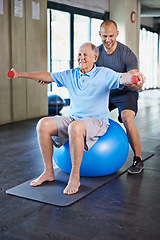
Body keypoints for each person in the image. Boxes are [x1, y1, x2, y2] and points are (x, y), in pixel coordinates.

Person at [11, 42, 145, 195]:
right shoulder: (71, 74)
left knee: (75, 127)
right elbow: (48, 76)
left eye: (85, 55)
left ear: (95, 57)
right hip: (74, 118)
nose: (81, 58)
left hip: (96, 121)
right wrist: (21, 74)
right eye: (79, 54)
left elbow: (123, 77)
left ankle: (75, 177)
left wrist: (135, 77)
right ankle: (48, 172)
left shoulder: (104, 73)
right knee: (43, 124)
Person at [97, 20, 144, 174]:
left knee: (127, 119)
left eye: (111, 35)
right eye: (104, 36)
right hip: (106, 92)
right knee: (89, 116)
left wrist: (137, 82)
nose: (108, 39)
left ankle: (138, 159)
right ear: (100, 34)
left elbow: (136, 83)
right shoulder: (96, 54)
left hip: (125, 92)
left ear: (117, 34)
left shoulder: (126, 54)